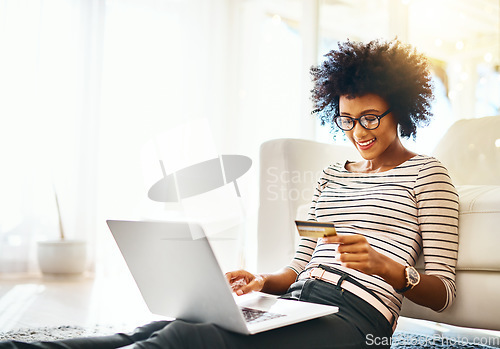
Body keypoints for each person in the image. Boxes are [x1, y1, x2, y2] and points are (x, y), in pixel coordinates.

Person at [0, 39, 459, 349]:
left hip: (359, 323)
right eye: (347, 119)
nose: (358, 131)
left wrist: (390, 269)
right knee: (163, 328)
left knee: (192, 339)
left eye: (371, 118)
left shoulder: (428, 175)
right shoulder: (331, 176)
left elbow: (444, 295)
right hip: (296, 303)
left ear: (400, 109)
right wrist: (263, 282)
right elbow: (300, 265)